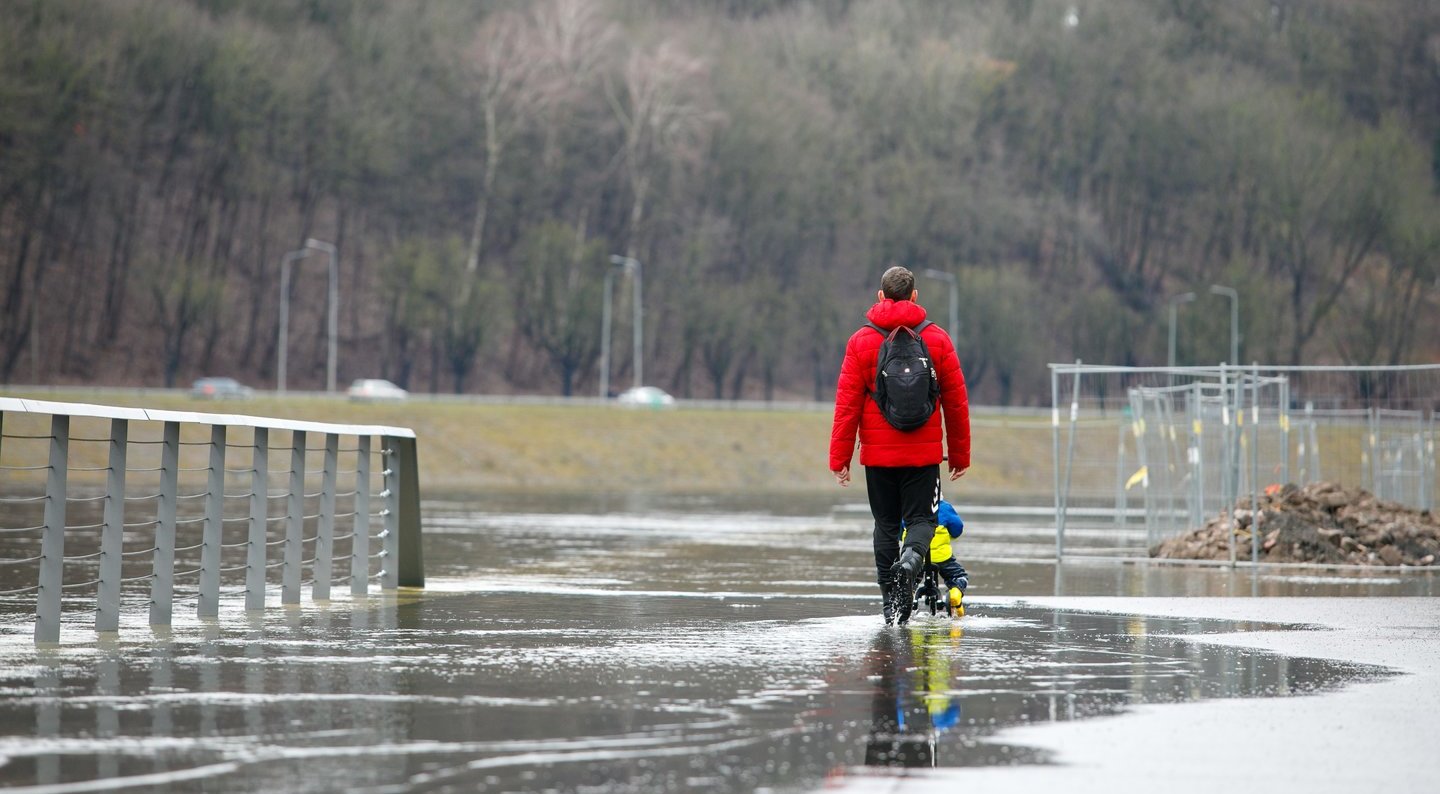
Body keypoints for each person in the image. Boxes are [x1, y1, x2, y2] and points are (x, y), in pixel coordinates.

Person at [830, 265, 971, 626]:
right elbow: (956, 402)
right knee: (922, 520)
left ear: (881, 296)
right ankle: (910, 562)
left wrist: (840, 459)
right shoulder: (937, 339)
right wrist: (959, 454)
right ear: (914, 296)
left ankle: (890, 604)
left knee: (886, 525)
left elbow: (846, 404)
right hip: (923, 456)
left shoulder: (861, 341)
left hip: (877, 456)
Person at [901, 499, 970, 616]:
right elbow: (957, 529)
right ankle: (955, 593)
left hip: (917, 556)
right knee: (959, 576)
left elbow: (899, 531)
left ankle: (909, 595)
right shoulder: (944, 508)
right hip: (942, 558)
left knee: (909, 579)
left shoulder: (908, 506)